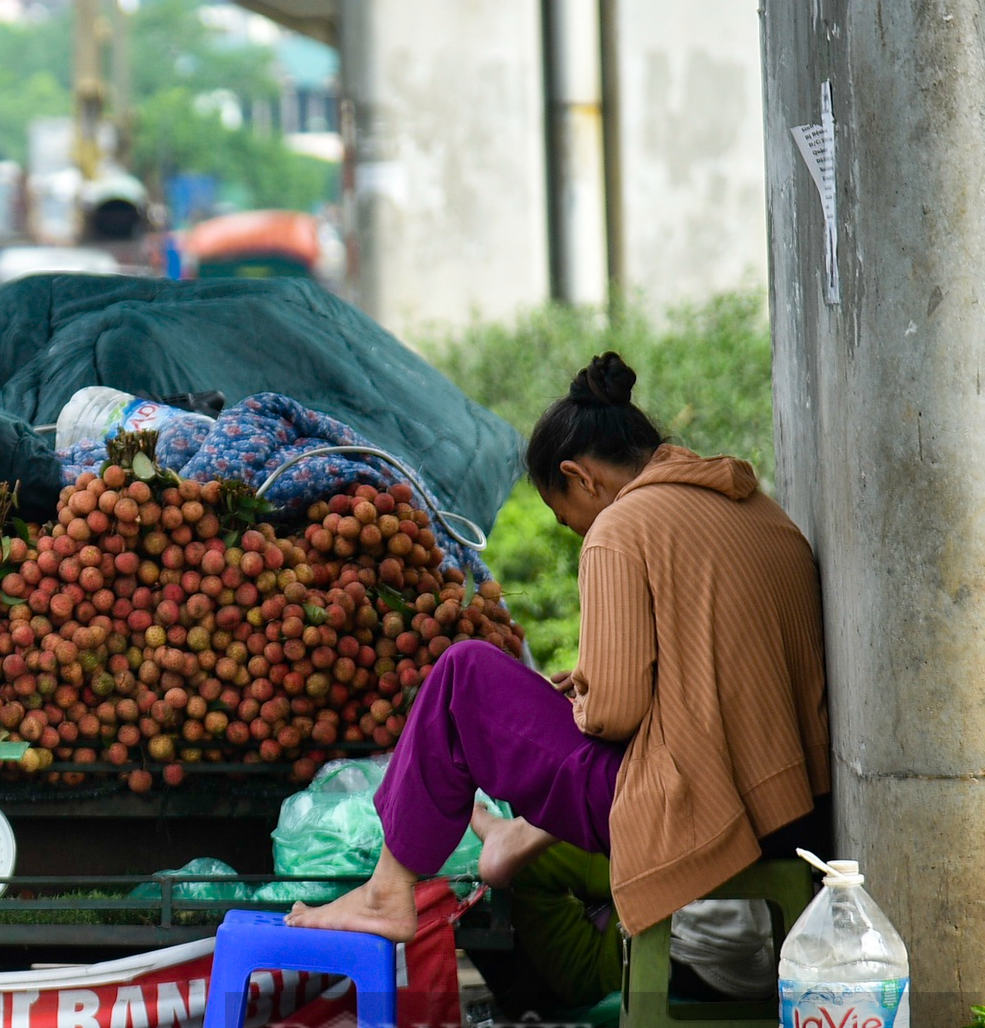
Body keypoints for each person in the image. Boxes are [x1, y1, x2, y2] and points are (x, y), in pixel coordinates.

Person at [288, 353, 830, 943]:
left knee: (461, 676)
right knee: (524, 702)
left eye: (564, 516)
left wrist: (587, 697)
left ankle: (387, 893)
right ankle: (508, 837)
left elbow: (615, 715)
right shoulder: (754, 506)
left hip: (700, 802)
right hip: (793, 800)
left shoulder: (620, 528)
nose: (575, 530)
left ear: (580, 476)